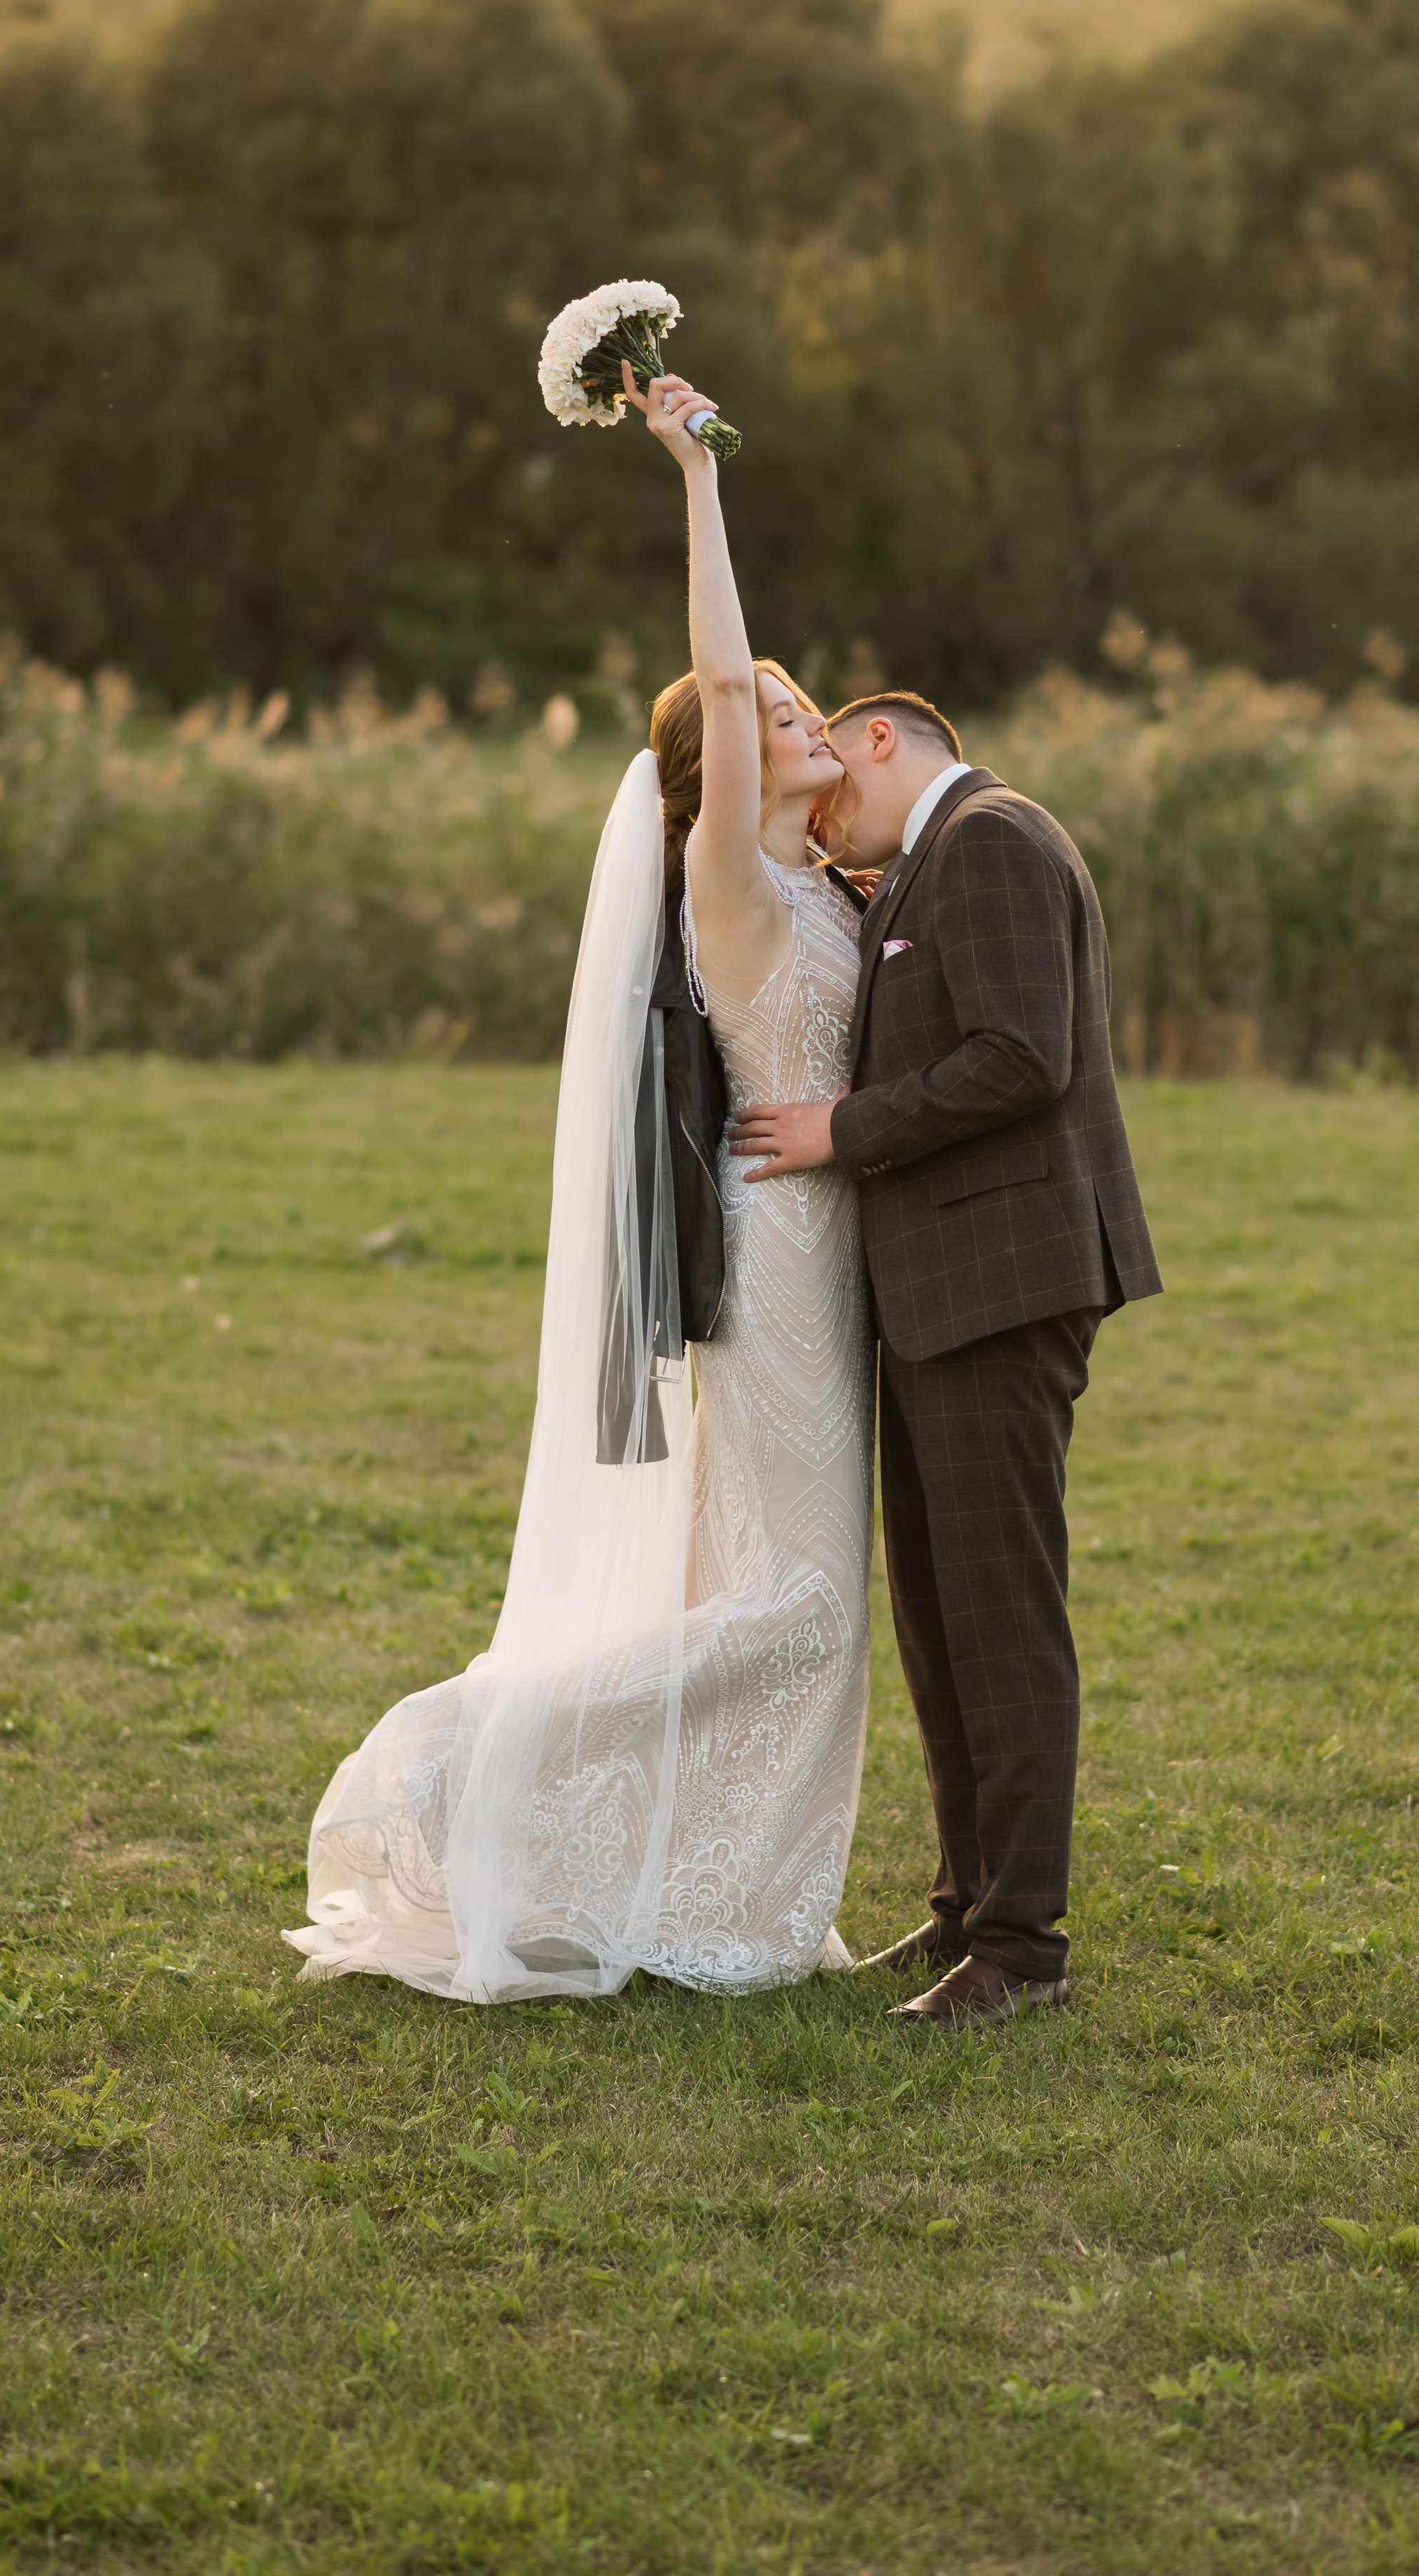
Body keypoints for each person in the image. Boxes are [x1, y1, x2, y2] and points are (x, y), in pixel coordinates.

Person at [282, 366, 875, 2000]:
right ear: (720, 771)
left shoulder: (831, 889)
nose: (801, 716)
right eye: (770, 711)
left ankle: (721, 1887)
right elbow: (706, 672)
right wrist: (694, 474)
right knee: (800, 1608)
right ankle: (470, 1746)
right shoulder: (735, 882)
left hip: (837, 1254)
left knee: (783, 1597)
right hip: (777, 1263)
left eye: (801, 700)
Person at [729, 691, 1163, 2025]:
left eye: (831, 774)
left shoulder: (993, 838)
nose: (822, 813)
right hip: (938, 1296)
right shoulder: (928, 859)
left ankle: (1025, 1949)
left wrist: (841, 1128)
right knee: (938, 1615)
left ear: (877, 739)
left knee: (1000, 1614)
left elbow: (1022, 1058)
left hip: (1001, 1285)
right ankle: (964, 1912)